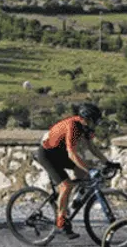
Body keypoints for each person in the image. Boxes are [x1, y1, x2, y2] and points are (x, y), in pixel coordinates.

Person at [36, 102, 116, 238]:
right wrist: (89, 169)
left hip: (59, 153)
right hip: (47, 154)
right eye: (94, 120)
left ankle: (75, 201)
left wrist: (107, 162)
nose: (96, 123)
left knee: (83, 174)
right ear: (87, 119)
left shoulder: (86, 128)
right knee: (66, 185)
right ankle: (61, 222)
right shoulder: (72, 126)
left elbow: (92, 148)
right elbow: (72, 154)